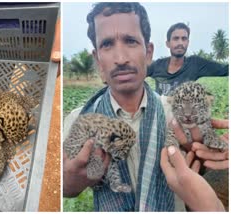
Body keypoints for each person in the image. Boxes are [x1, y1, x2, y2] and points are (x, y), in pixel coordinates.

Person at [64, 2, 179, 211]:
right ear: (98, 60)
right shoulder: (77, 122)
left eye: (131, 41)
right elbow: (64, 186)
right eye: (107, 44)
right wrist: (69, 182)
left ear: (148, 52)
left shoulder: (176, 115)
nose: (121, 58)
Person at [147, 22, 229, 95]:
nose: (180, 43)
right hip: (161, 110)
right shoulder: (157, 65)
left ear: (188, 42)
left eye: (184, 39)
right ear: (168, 43)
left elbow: (225, 70)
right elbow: (138, 75)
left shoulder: (195, 64)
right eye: (176, 38)